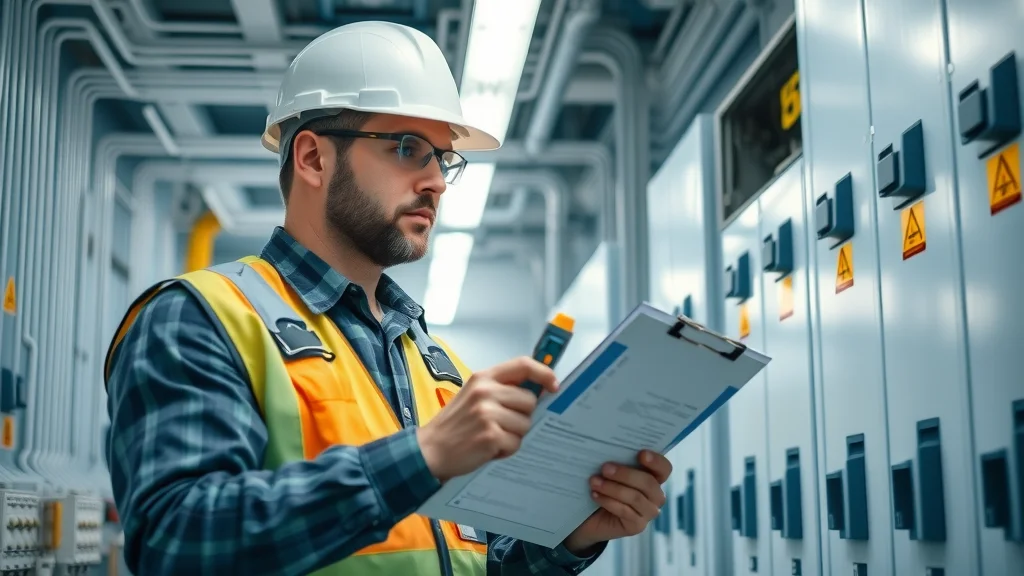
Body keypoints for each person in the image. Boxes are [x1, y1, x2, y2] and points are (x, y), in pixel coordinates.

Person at [103, 20, 671, 576]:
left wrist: (569, 537)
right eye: (407, 148)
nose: (438, 182)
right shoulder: (200, 318)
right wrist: (420, 458)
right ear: (313, 158)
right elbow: (173, 541)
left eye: (443, 158)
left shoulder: (437, 367)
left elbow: (470, 560)